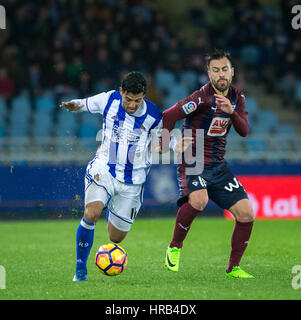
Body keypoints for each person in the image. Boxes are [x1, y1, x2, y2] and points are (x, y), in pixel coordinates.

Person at [160, 49, 255, 278]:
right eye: (215, 70)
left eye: (224, 69)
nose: (220, 74)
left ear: (232, 72)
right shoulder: (200, 98)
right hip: (193, 160)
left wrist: (231, 112)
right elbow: (169, 115)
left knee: (246, 214)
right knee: (199, 200)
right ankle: (174, 247)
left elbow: (244, 131)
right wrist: (165, 143)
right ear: (209, 73)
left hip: (218, 166)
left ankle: (233, 268)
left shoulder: (237, 98)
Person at [60, 71, 162, 281]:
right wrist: (74, 105)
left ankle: (113, 204)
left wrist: (173, 145)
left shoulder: (154, 115)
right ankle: (80, 270)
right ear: (121, 91)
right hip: (104, 168)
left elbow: (162, 141)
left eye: (137, 100)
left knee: (116, 237)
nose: (132, 105)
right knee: (91, 213)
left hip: (133, 181)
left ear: (143, 95)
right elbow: (85, 103)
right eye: (128, 99)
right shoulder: (109, 99)